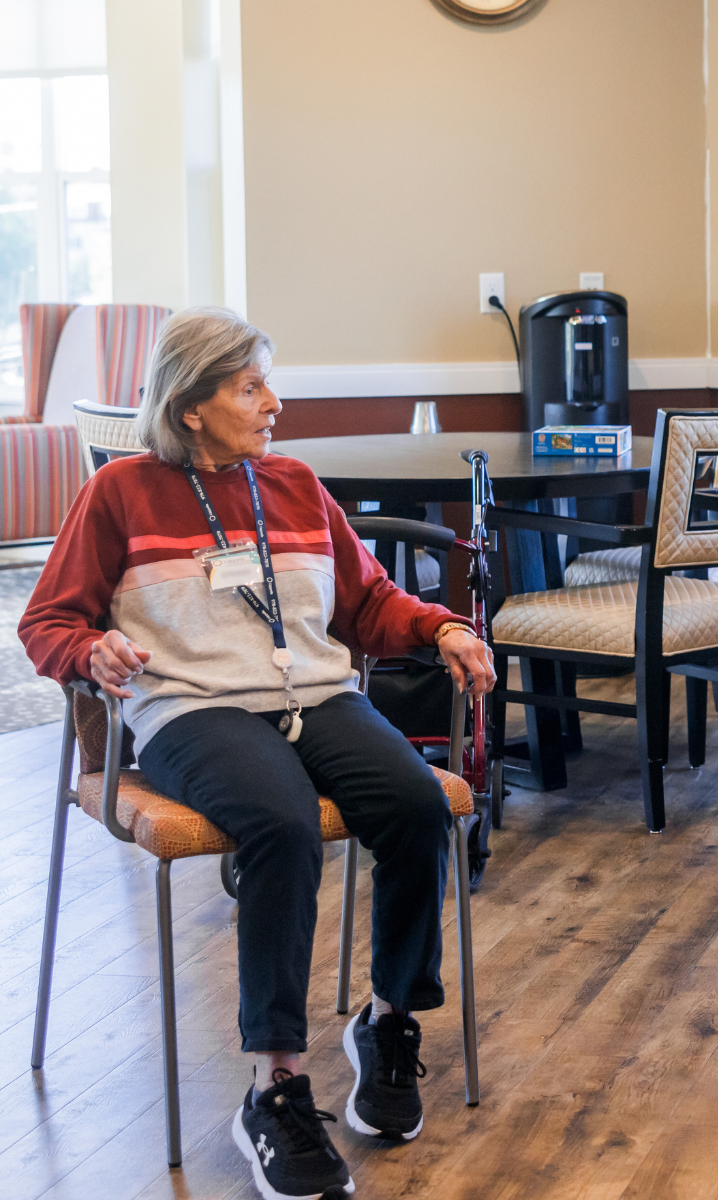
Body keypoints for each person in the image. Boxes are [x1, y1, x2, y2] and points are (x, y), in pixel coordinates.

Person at [20, 307, 497, 1200]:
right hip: (191, 711)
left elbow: (368, 601)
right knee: (280, 825)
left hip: (317, 695)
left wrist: (441, 628)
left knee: (417, 804)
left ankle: (387, 1021)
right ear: (192, 407)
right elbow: (47, 621)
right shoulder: (120, 492)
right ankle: (274, 1085)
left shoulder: (295, 484)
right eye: (251, 388)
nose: (274, 404)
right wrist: (91, 651)